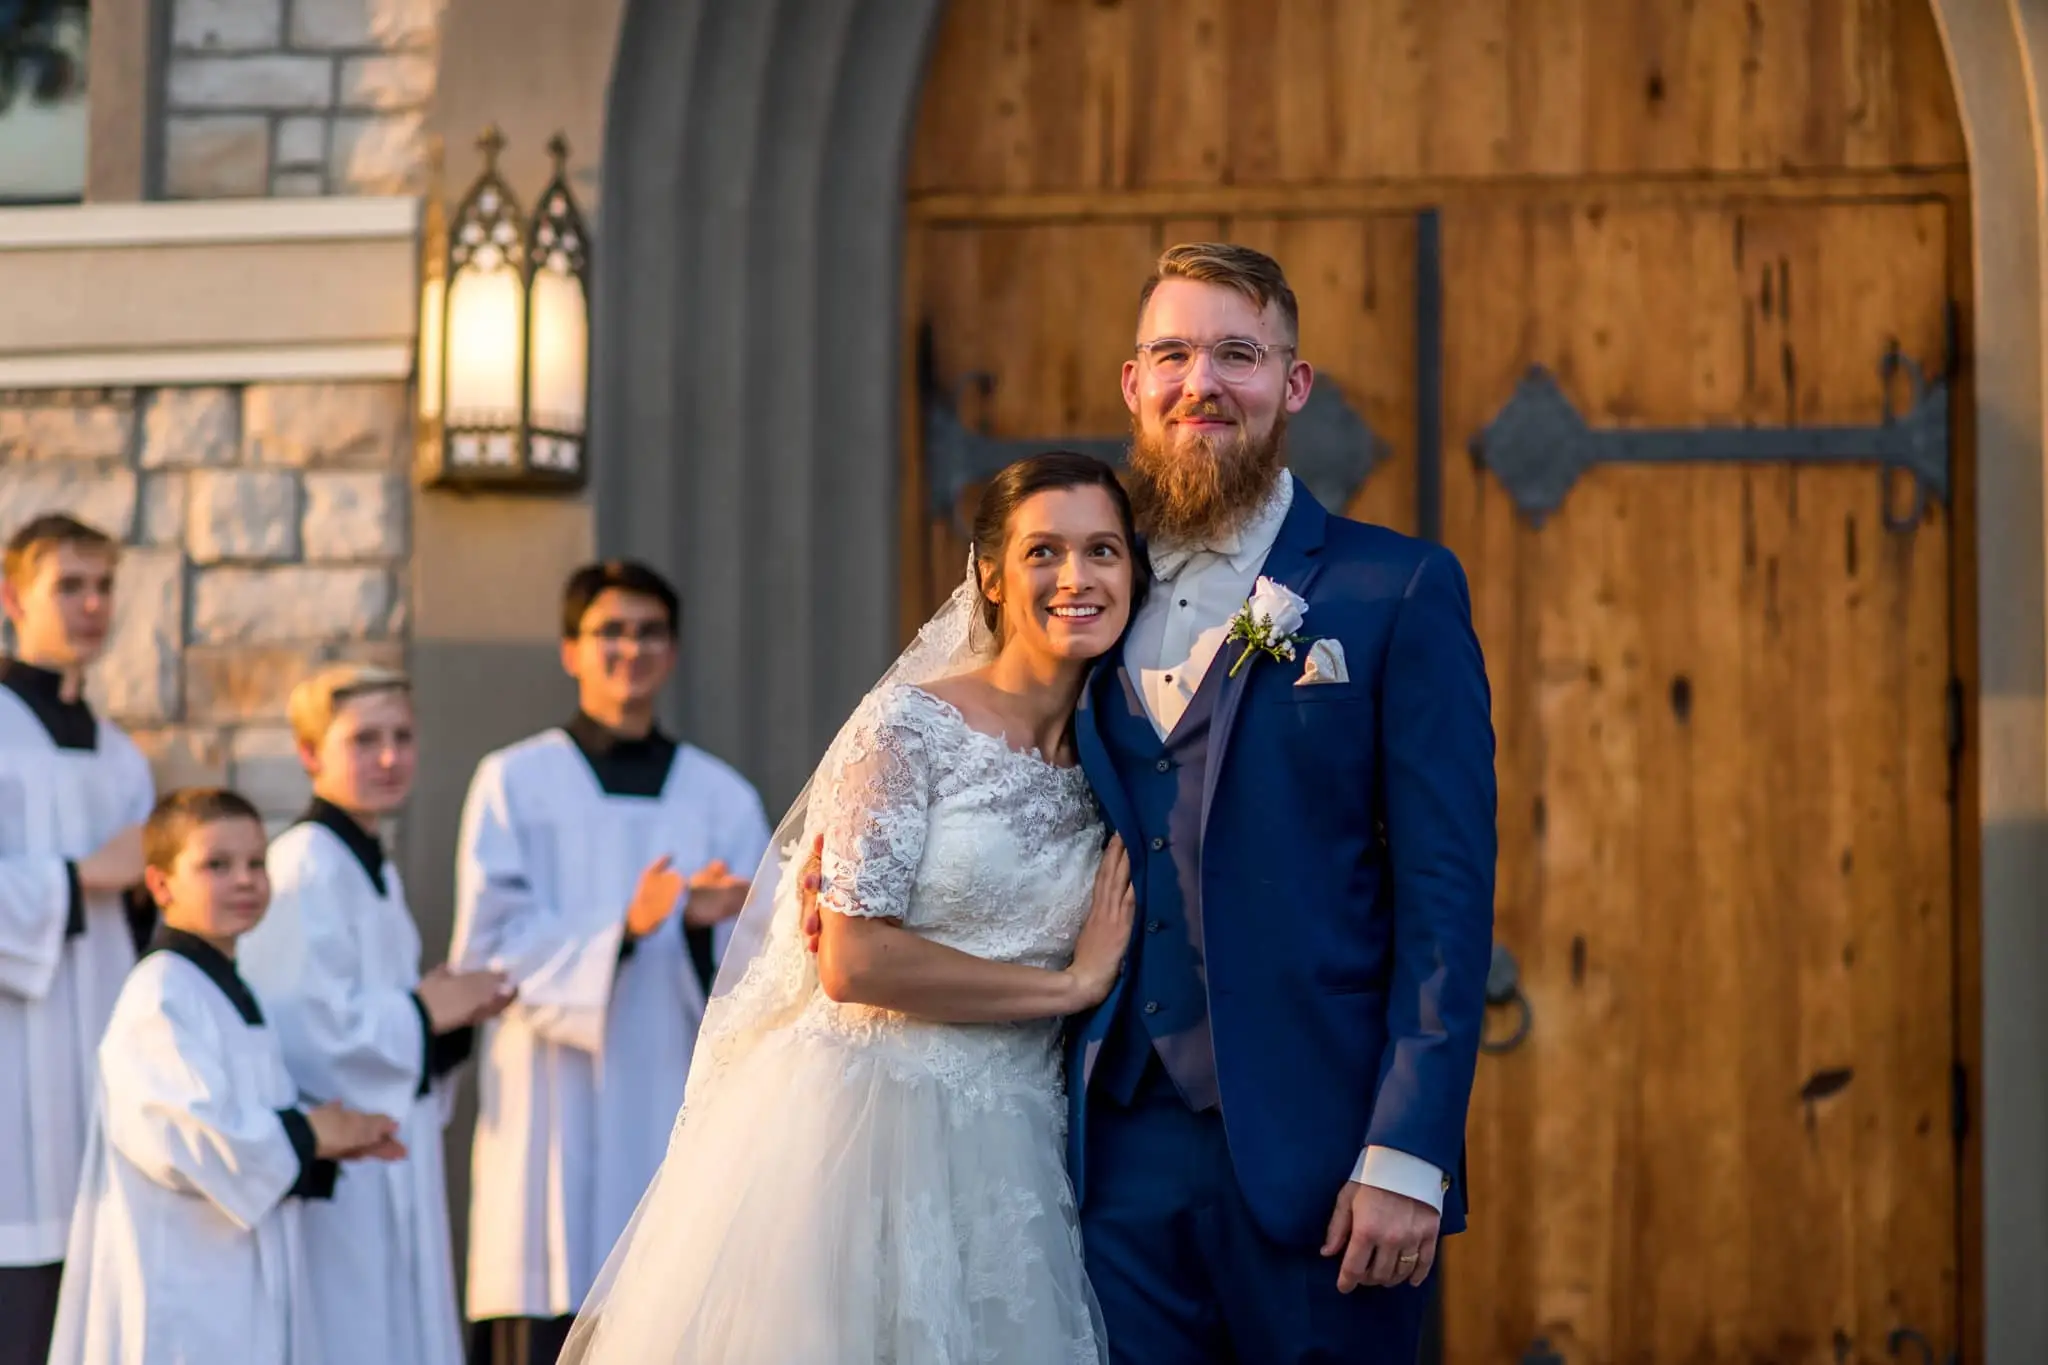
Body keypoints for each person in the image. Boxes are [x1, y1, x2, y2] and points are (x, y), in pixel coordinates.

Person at [559, 451, 1142, 1363]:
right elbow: (853, 961)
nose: (1076, 577)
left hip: (1013, 1149)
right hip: (863, 1130)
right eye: (1043, 552)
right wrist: (1067, 985)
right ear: (989, 574)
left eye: (1103, 549)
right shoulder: (910, 726)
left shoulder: (1120, 760)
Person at [1050, 242, 1494, 1363]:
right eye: (1173, 353)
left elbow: (1445, 896)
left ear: (1292, 385)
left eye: (1236, 355)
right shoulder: (1077, 596)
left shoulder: (1392, 588)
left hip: (1328, 1157)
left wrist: (1407, 1153)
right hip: (1107, 1156)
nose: (1201, 381)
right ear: (1132, 384)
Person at [452, 559, 772, 1364]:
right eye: (610, 632)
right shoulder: (513, 782)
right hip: (544, 1113)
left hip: (669, 1097)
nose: (631, 648)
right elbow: (487, 957)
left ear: (672, 651)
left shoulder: (720, 797)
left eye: (650, 632)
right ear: (571, 649)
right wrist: (623, 932)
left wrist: (702, 930)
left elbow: (764, 982)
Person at [46, 787, 407, 1365]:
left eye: (256, 864)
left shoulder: (229, 986)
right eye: (217, 865)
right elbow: (187, 1133)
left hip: (234, 1280)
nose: (245, 880)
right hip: (184, 1291)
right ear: (161, 885)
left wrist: (332, 1142)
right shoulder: (160, 995)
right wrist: (311, 1133)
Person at [238, 664, 513, 1365]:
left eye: (402, 736)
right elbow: (304, 1031)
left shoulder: (371, 865)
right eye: (364, 739)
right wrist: (425, 1013)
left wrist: (448, 1015)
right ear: (309, 753)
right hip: (347, 1167)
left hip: (390, 1151)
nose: (389, 757)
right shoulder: (304, 864)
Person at [0, 514, 154, 1365]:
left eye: (103, 587)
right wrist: (80, 875)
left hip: (94, 1064)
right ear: (11, 596)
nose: (93, 605)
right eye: (70, 585)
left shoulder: (125, 758)